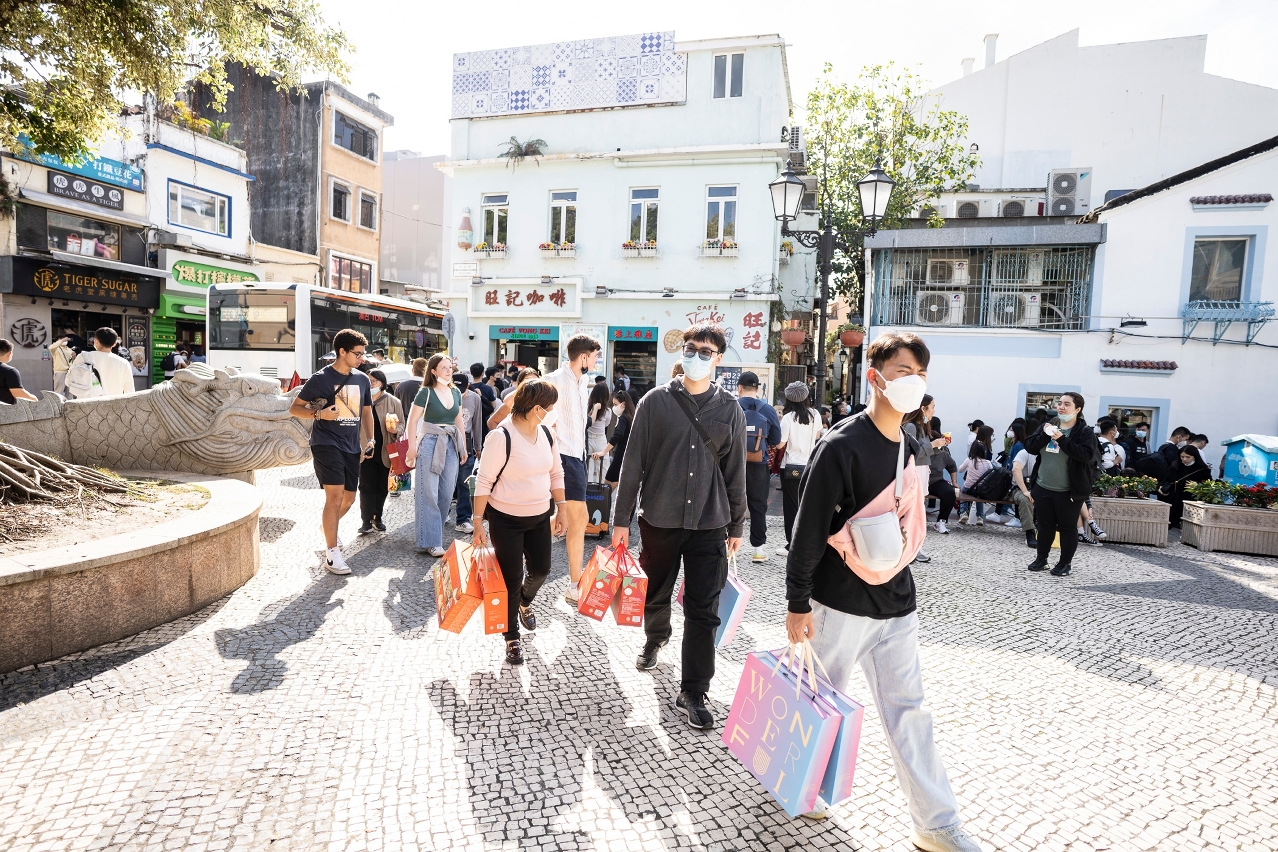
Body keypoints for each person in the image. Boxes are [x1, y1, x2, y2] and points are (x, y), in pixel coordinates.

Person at [786, 332, 985, 852]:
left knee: (911, 712)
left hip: (896, 600)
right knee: (821, 703)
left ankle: (936, 825)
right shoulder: (840, 445)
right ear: (874, 377)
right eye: (902, 371)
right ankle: (806, 789)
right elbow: (806, 530)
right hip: (838, 602)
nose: (913, 382)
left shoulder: (910, 443)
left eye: (920, 374)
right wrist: (796, 602)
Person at [613, 323, 746, 729]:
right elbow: (632, 462)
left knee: (703, 610)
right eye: (692, 349)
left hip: (710, 522)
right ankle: (655, 637)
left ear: (719, 359)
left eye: (707, 351)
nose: (698, 356)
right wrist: (620, 522)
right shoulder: (655, 402)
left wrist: (737, 524)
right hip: (660, 518)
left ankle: (693, 689)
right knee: (656, 591)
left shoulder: (731, 410)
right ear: (682, 352)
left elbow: (735, 471)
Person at [471, 379, 568, 666]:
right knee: (511, 577)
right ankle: (511, 637)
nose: (552, 413)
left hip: (539, 516)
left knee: (541, 569)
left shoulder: (547, 434)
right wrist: (478, 522)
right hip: (506, 519)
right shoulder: (502, 437)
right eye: (549, 408)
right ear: (537, 408)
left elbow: (556, 473)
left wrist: (561, 509)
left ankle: (525, 602)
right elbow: (484, 481)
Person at [288, 329, 375, 575]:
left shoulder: (362, 379)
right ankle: (332, 552)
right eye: (357, 354)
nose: (362, 358)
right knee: (334, 498)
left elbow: (367, 412)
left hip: (351, 445)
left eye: (362, 354)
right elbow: (295, 409)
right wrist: (320, 414)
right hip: (326, 443)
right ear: (342, 352)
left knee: (349, 499)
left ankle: (328, 528)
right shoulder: (321, 378)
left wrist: (371, 439)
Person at [545, 333, 602, 603]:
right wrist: (549, 428)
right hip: (561, 455)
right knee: (579, 518)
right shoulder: (554, 379)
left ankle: (574, 583)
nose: (596, 360)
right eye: (594, 356)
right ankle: (575, 584)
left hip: (576, 456)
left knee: (571, 519)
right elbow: (527, 405)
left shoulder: (585, 381)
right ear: (583, 357)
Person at [1022, 392, 1101, 577]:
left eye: (1067, 404)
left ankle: (1065, 564)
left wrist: (1061, 439)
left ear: (1077, 409)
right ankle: (1042, 559)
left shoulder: (1084, 431)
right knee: (1044, 525)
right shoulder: (1047, 426)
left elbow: (1085, 455)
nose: (1061, 407)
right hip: (1043, 486)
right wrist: (1045, 434)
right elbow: (1030, 446)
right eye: (1059, 403)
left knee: (1067, 527)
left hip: (1069, 490)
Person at [405, 354, 468, 557]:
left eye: (450, 367)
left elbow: (459, 422)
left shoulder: (456, 392)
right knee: (428, 492)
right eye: (443, 368)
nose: (449, 371)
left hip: (450, 442)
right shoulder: (426, 393)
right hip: (429, 442)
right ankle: (432, 541)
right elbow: (412, 421)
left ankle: (433, 535)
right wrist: (411, 447)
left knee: (447, 493)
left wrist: (463, 448)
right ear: (433, 371)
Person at [736, 370, 781, 562]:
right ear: (757, 388)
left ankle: (725, 545)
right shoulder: (768, 409)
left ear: (739, 388)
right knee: (758, 505)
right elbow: (776, 440)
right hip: (758, 463)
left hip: (732, 463)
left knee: (728, 503)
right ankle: (758, 549)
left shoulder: (731, 406)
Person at [777, 381, 823, 556]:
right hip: (810, 466)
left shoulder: (788, 418)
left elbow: (781, 444)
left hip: (790, 467)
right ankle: (807, 543)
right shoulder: (815, 415)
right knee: (807, 506)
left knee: (791, 507)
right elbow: (818, 435)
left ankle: (792, 545)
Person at [357, 369, 404, 535]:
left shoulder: (393, 402)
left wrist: (394, 430)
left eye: (374, 381)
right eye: (368, 381)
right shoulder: (361, 400)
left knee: (382, 486)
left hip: (386, 450)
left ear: (382, 383)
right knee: (365, 486)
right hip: (366, 450)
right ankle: (365, 521)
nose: (370, 384)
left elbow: (402, 425)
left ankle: (378, 517)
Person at [904, 396, 955, 535]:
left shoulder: (922, 426)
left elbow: (924, 451)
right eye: (932, 406)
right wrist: (934, 444)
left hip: (922, 470)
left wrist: (939, 446)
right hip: (914, 471)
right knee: (913, 508)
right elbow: (911, 453)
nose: (934, 410)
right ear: (923, 408)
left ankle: (915, 542)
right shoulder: (911, 426)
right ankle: (910, 542)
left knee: (918, 507)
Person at [452, 371, 484, 534]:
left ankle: (463, 518)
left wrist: (478, 446)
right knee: (445, 482)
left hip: (467, 439)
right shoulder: (446, 395)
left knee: (464, 482)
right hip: (448, 437)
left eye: (462, 390)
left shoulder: (474, 398)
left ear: (468, 386)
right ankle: (441, 513)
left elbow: (477, 422)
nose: (459, 393)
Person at [69, 327, 135, 397]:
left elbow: (68, 381)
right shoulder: (124, 363)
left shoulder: (83, 356)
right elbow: (130, 391)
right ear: (114, 344)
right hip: (114, 406)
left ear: (95, 341)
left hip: (87, 405)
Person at [1159, 445, 1212, 529]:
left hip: (1192, 501)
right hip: (1175, 499)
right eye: (1182, 457)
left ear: (1195, 457)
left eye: (1188, 457)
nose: (1184, 459)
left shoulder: (1202, 469)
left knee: (1191, 526)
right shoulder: (1175, 466)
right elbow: (1166, 480)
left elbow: (1209, 485)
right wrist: (1162, 488)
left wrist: (1197, 486)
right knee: (1168, 523)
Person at [598, 389, 634, 490]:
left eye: (615, 404)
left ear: (623, 404)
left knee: (605, 492)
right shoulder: (631, 417)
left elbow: (617, 435)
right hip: (629, 457)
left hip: (620, 457)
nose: (614, 407)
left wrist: (603, 452)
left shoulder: (623, 418)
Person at [1009, 448, 1038, 548]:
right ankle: (1030, 533)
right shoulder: (1024, 453)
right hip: (1020, 488)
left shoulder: (1049, 454)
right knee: (1025, 499)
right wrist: (1025, 491)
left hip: (1039, 488)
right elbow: (1015, 469)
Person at [0, 339, 39, 404]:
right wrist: (34, 398)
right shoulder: (9, 371)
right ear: (10, 353)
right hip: (6, 411)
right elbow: (18, 394)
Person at [586, 381, 613, 470]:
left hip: (588, 438)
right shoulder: (608, 411)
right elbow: (607, 424)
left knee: (587, 466)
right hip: (600, 438)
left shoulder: (587, 407)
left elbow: (587, 422)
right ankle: (601, 484)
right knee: (602, 467)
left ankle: (586, 484)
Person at [48, 329, 80, 394]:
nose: (65, 341)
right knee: (58, 391)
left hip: (69, 372)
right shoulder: (56, 349)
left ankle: (70, 403)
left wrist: (74, 357)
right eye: (62, 340)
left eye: (65, 340)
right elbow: (51, 347)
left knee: (70, 392)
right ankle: (58, 403)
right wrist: (62, 340)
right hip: (60, 372)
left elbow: (73, 362)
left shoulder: (69, 349)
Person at [469, 362, 497, 437]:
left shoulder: (467, 388)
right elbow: (493, 405)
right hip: (484, 420)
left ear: (471, 373)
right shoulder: (487, 388)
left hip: (470, 419)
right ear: (483, 373)